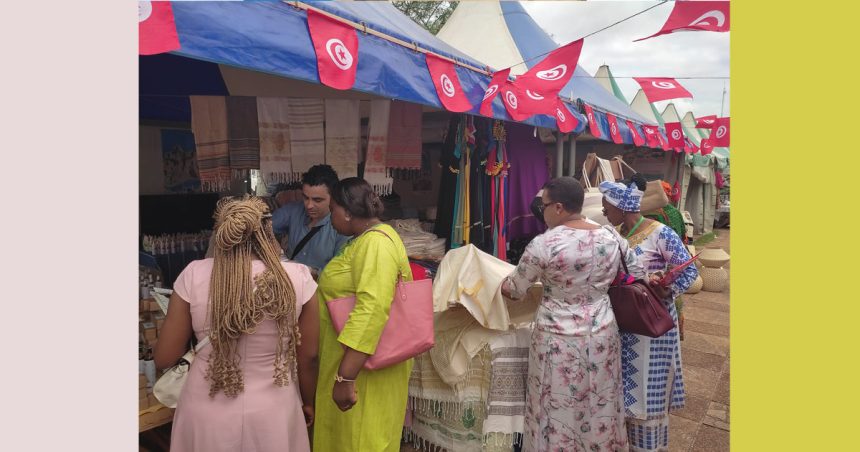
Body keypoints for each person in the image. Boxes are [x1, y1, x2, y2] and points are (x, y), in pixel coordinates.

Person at [154, 197, 320, 452]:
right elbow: (308, 357)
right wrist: (308, 402)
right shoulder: (297, 277)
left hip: (206, 411)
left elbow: (165, 357)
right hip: (274, 409)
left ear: (222, 231)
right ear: (268, 230)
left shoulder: (193, 273)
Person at [501, 177, 645, 452]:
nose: (541, 212)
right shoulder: (611, 236)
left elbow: (514, 290)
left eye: (542, 206)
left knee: (553, 402)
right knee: (599, 400)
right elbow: (637, 274)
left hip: (556, 342)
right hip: (602, 333)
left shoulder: (544, 244)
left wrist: (500, 283)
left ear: (557, 207)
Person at [312, 177, 414, 452]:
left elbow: (372, 308)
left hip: (365, 369)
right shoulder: (363, 240)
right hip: (355, 363)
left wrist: (346, 377)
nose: (330, 217)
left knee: (362, 440)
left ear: (346, 211)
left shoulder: (375, 244)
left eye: (332, 209)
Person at [600, 176, 699, 452]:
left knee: (648, 389)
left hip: (652, 325)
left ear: (622, 206)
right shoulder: (615, 235)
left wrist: (666, 289)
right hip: (623, 323)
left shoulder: (661, 233)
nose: (605, 211)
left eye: (607, 205)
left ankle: (647, 447)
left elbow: (689, 270)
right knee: (623, 387)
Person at [272, 164, 350, 275]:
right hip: (289, 285)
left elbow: (341, 273)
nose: (309, 205)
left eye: (317, 200)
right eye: (305, 197)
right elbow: (262, 227)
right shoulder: (293, 210)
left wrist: (312, 272)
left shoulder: (343, 227)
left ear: (334, 197)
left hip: (321, 289)